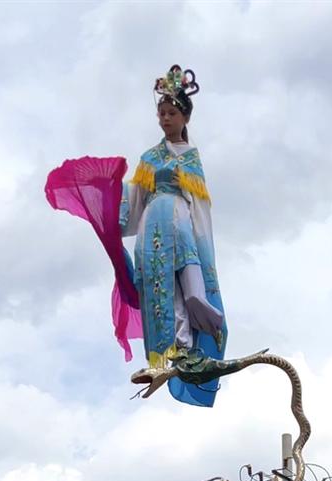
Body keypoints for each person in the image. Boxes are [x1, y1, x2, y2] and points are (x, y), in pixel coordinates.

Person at [120, 65, 226, 403]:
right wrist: (111, 199)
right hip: (152, 220)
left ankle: (183, 348)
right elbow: (134, 199)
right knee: (155, 286)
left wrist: (201, 241)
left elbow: (199, 205)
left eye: (171, 113)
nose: (165, 119)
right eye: (161, 113)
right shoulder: (150, 158)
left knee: (183, 286)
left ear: (184, 118)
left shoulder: (191, 157)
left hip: (179, 219)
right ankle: (160, 356)